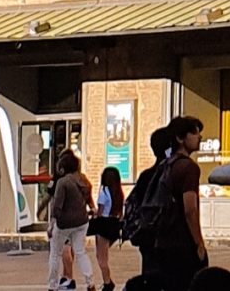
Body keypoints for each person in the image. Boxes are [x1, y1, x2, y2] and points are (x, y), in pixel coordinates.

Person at [133, 118, 205, 291]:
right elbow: (190, 210)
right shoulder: (189, 167)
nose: (199, 137)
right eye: (194, 133)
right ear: (180, 138)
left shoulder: (167, 164)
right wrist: (199, 242)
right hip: (182, 242)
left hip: (162, 239)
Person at [42, 149, 92, 291]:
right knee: (80, 252)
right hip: (82, 222)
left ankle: (52, 285)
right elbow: (89, 199)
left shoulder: (62, 182)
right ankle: (90, 282)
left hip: (65, 223)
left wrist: (52, 224)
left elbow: (57, 206)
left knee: (55, 254)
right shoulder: (83, 180)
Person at [85, 164, 121, 291]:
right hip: (114, 224)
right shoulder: (118, 193)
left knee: (101, 258)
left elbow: (99, 213)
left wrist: (92, 213)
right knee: (103, 255)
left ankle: (107, 283)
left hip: (103, 225)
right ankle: (107, 281)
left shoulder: (104, 192)